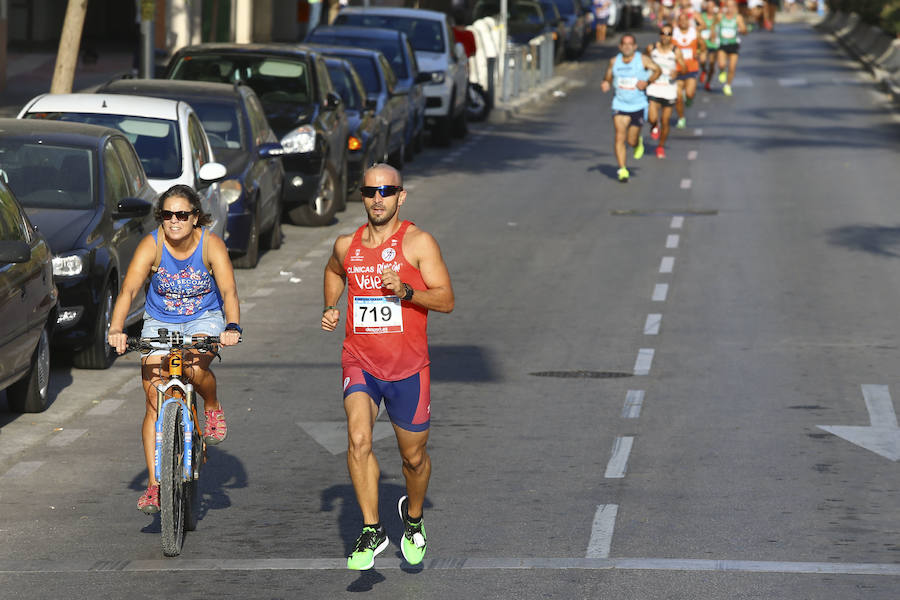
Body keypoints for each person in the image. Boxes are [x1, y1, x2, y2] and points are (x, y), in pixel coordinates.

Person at [321, 164, 455, 570]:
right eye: (370, 191)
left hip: (408, 367)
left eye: (387, 191)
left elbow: (446, 299)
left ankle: (412, 519)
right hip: (360, 360)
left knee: (413, 458)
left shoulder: (418, 243)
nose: (378, 198)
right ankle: (371, 528)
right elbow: (332, 271)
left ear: (401, 196)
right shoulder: (348, 245)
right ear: (361, 196)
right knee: (358, 440)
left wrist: (407, 290)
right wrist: (330, 305)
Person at [108, 184, 242, 514]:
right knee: (153, 398)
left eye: (182, 214)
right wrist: (116, 329)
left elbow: (228, 291)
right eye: (167, 215)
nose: (174, 221)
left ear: (195, 217)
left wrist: (232, 327)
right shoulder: (150, 245)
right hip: (159, 322)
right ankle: (155, 486)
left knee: (194, 370)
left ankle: (211, 405)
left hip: (204, 319)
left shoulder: (210, 245)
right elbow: (128, 290)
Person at [601, 34, 662, 182]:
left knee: (631, 140)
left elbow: (658, 70)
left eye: (630, 44)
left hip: (638, 105)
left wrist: (647, 82)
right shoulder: (614, 61)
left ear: (635, 46)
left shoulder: (642, 60)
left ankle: (637, 143)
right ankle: (622, 169)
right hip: (620, 105)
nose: (627, 46)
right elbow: (608, 76)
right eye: (624, 44)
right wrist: (606, 82)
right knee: (619, 136)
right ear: (620, 46)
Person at [646, 24, 685, 159]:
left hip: (669, 89)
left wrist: (678, 71)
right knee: (652, 117)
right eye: (663, 33)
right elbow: (644, 61)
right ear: (660, 35)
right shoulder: (652, 48)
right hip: (654, 87)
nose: (665, 37)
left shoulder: (676, 51)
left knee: (665, 120)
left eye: (669, 34)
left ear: (672, 36)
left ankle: (660, 146)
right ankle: (653, 126)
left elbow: (684, 68)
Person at [672, 10, 702, 129]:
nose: (683, 22)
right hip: (677, 69)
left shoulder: (694, 33)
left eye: (686, 20)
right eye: (681, 20)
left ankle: (689, 98)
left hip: (691, 68)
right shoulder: (673, 33)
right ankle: (681, 118)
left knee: (689, 93)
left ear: (688, 22)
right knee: (678, 97)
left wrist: (698, 52)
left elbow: (702, 45)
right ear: (678, 22)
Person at [716, 0, 747, 96]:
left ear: (734, 7)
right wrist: (713, 35)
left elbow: (744, 32)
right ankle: (721, 70)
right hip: (722, 44)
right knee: (721, 64)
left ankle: (728, 85)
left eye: (731, 6)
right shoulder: (720, 16)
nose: (729, 9)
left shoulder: (738, 17)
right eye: (728, 6)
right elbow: (714, 26)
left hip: (733, 45)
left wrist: (742, 29)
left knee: (732, 68)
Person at [700, 0, 720, 90]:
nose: (710, 9)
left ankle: (708, 82)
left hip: (713, 44)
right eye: (708, 7)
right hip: (703, 43)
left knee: (712, 64)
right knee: (702, 60)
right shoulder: (701, 16)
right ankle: (704, 70)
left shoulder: (717, 17)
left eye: (712, 7)